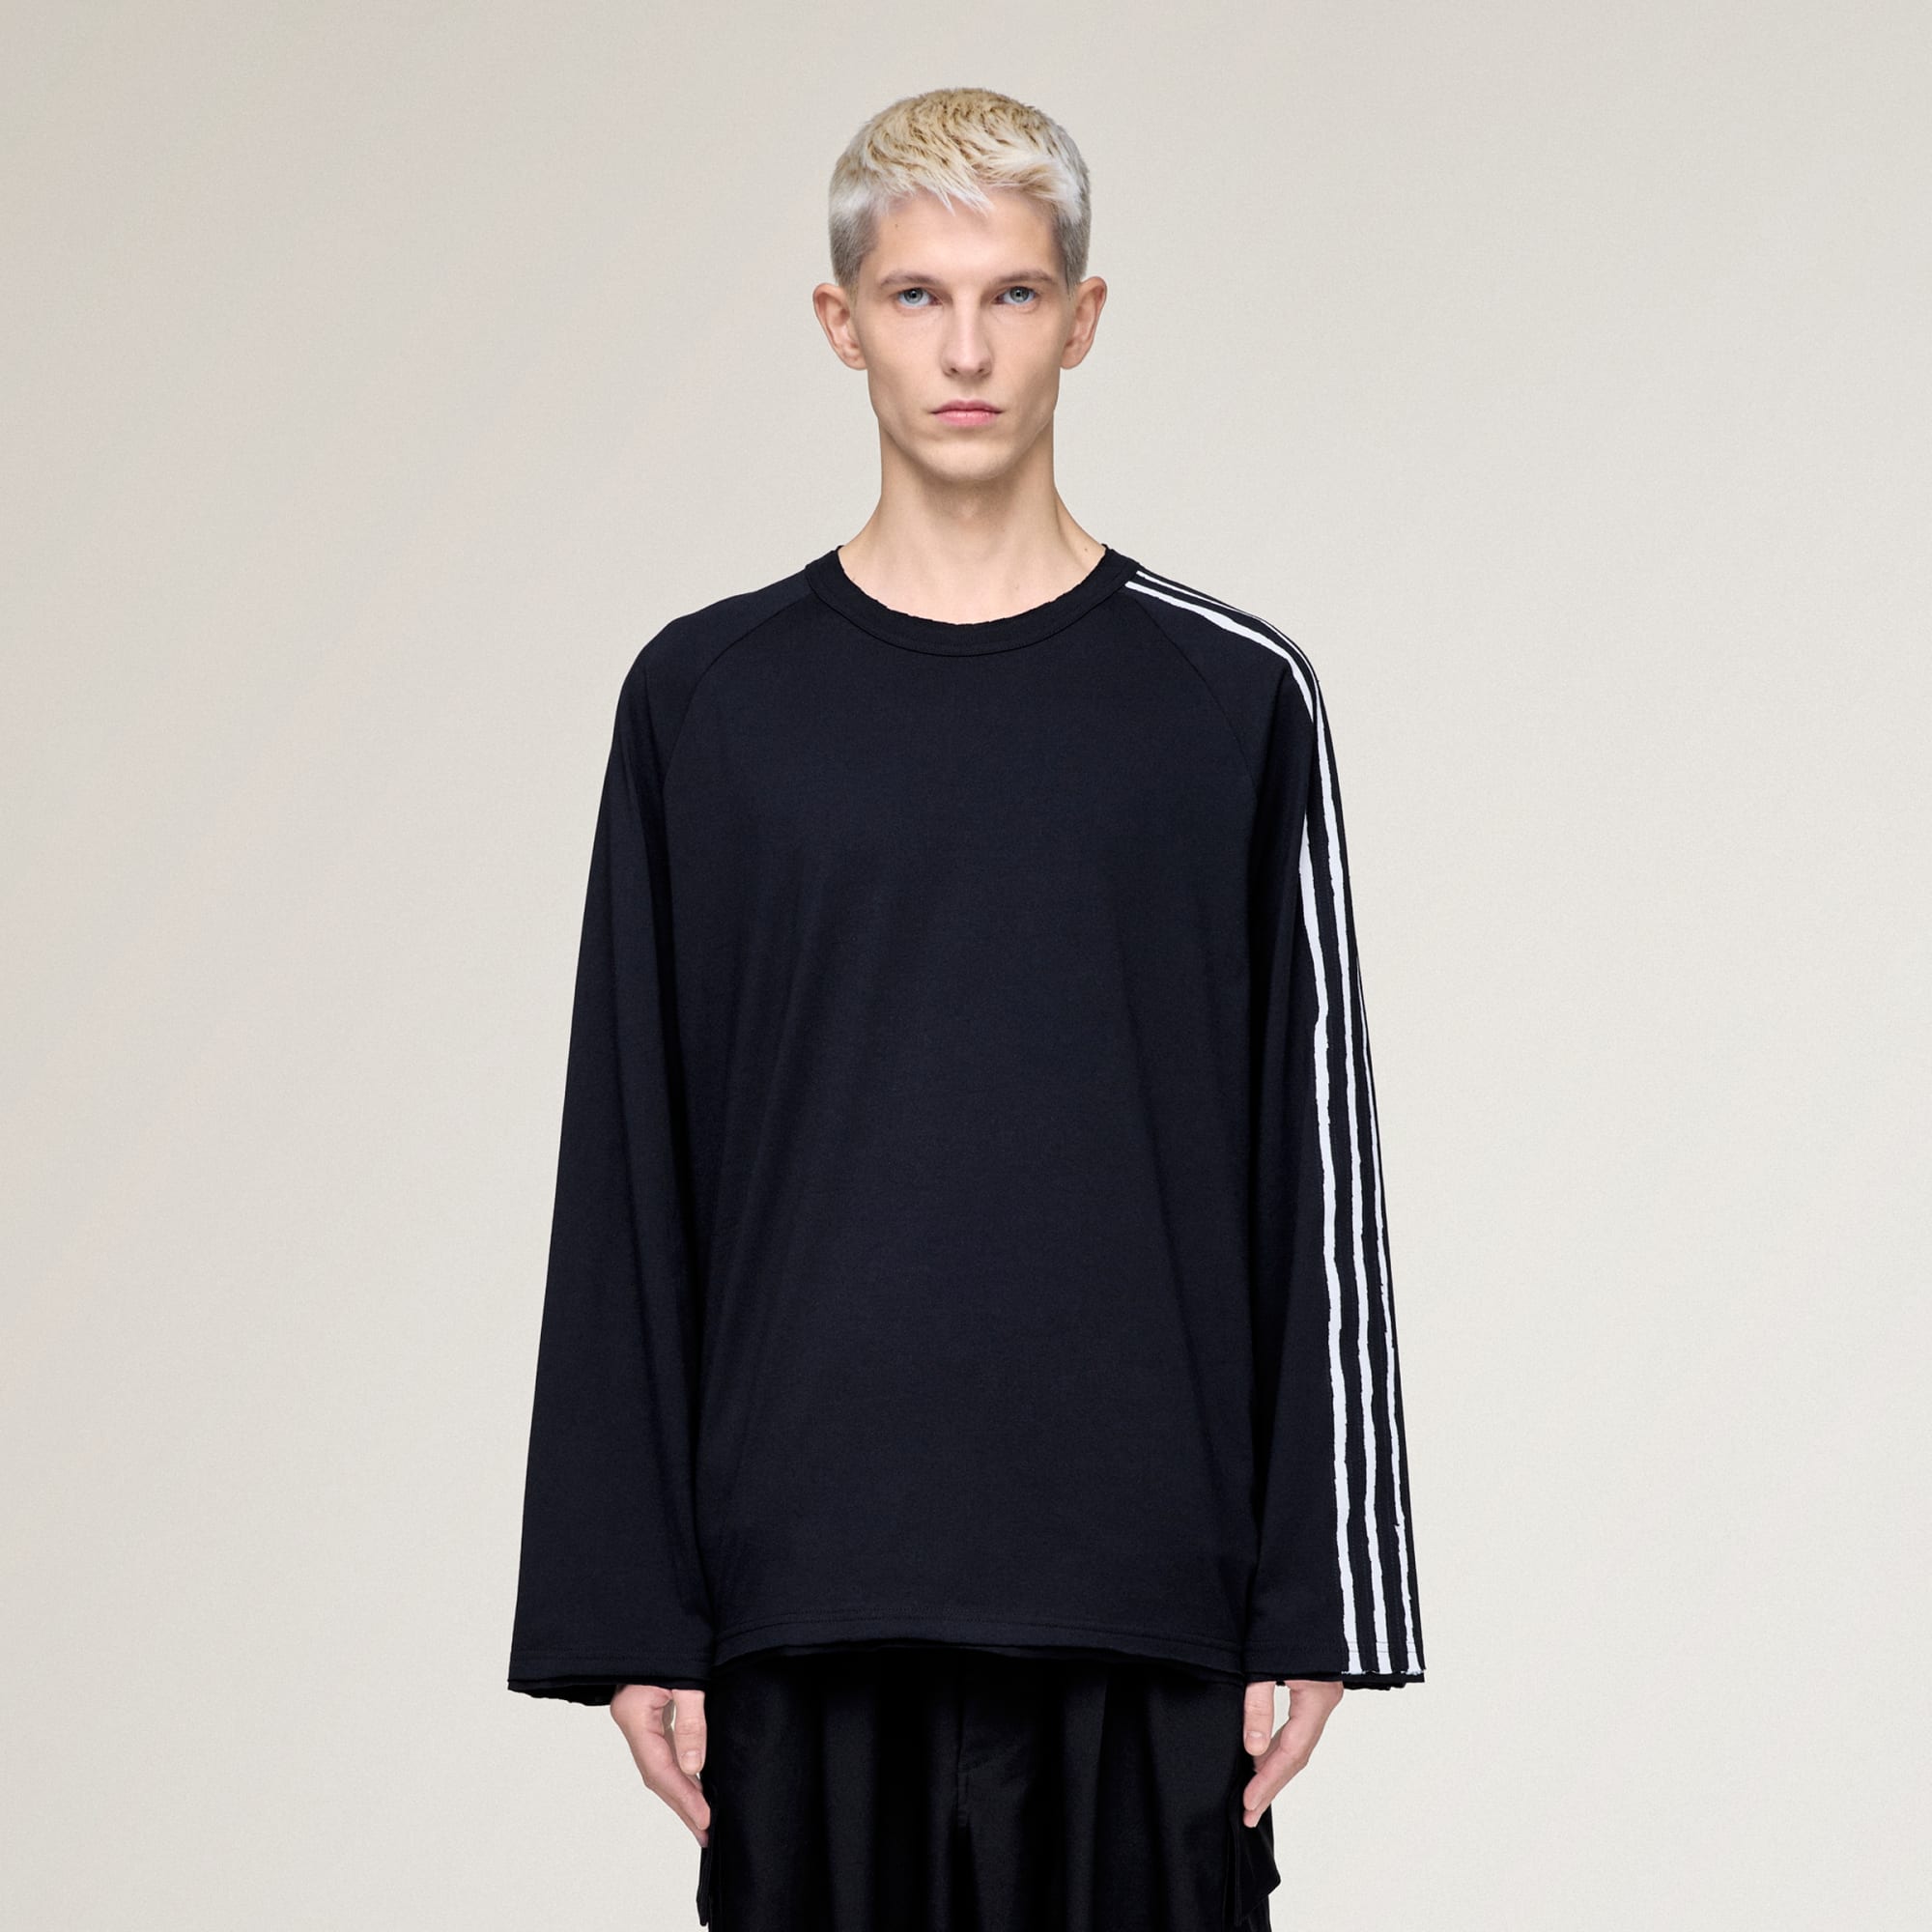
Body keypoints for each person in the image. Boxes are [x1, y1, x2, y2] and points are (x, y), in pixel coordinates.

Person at [506, 85, 1426, 1931]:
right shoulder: (710, 702)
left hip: (1144, 1588)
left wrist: (1322, 1593)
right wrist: (630, 1602)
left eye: (1011, 295)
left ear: (1083, 318)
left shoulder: (1227, 699)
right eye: (917, 297)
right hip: (805, 1582)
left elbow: (1310, 1153)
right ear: (840, 322)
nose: (966, 349)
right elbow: (631, 1159)